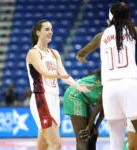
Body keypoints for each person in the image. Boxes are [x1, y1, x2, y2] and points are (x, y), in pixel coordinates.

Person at [26, 19, 92, 150]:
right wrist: (59, 74)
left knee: (43, 145)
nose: (50, 32)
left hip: (54, 99)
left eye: (51, 29)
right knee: (56, 144)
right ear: (38, 32)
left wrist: (79, 86)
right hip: (41, 99)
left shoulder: (54, 53)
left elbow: (65, 74)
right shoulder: (33, 53)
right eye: (46, 29)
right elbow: (44, 72)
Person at [100, 2, 137, 150]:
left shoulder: (104, 35)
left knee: (115, 141)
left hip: (109, 87)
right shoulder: (132, 30)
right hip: (129, 83)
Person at [63, 69, 103, 150]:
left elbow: (104, 107)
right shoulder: (108, 81)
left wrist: (95, 126)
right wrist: (89, 127)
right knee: (83, 137)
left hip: (84, 98)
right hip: (74, 95)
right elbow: (99, 105)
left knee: (92, 135)